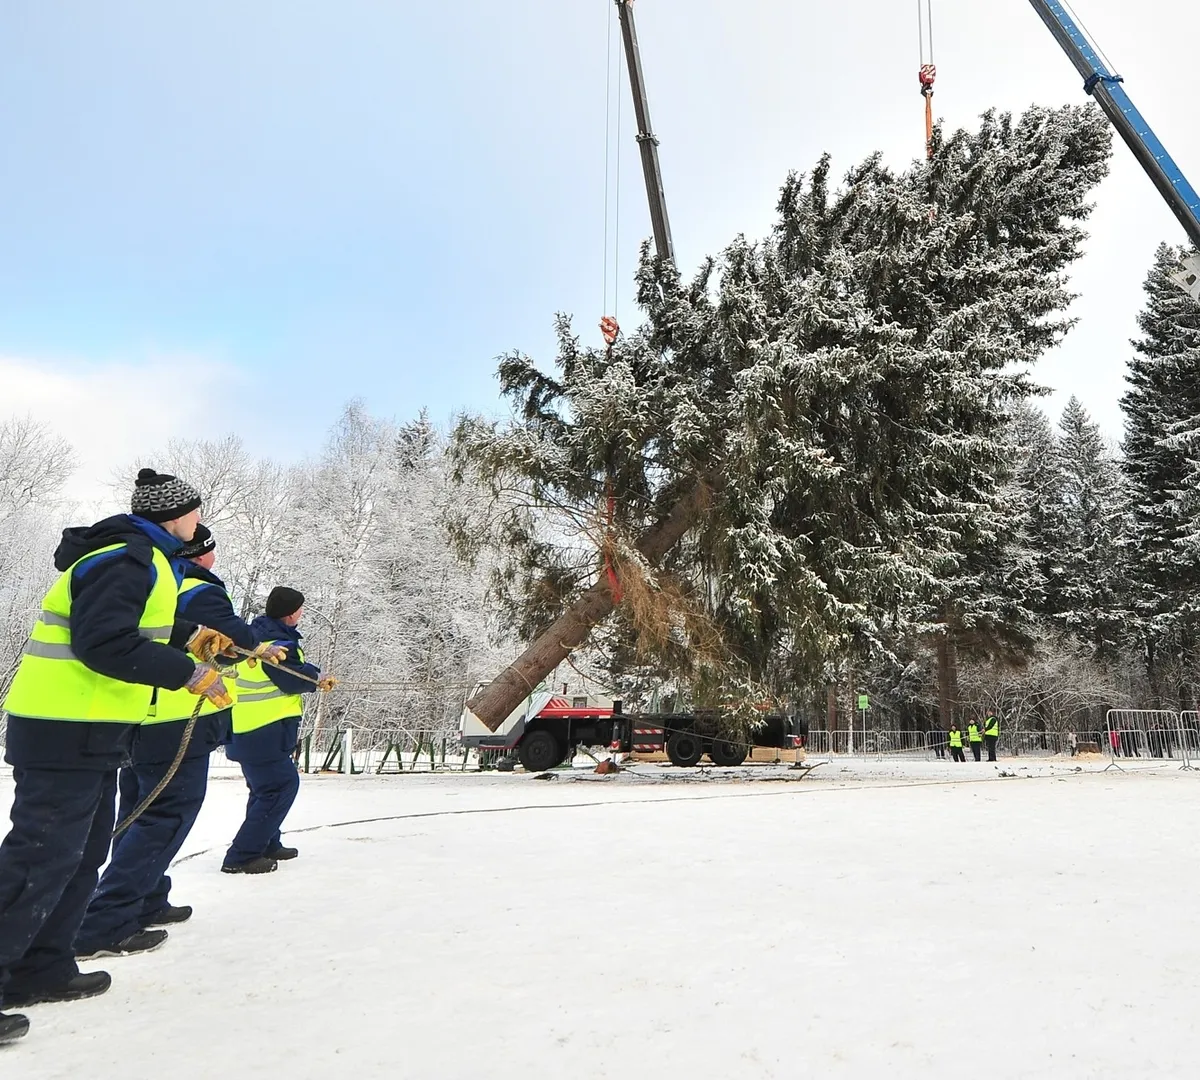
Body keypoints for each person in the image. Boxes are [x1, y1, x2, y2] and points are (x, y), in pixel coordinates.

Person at [0, 470, 233, 1044]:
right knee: (39, 857)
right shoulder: (128, 557)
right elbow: (102, 641)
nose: (197, 524)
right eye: (195, 514)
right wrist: (190, 673)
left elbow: (132, 625)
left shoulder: (139, 558)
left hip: (93, 731)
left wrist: (188, 635)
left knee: (80, 855)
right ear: (176, 515)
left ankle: (39, 966)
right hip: (62, 728)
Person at [74, 525, 286, 958]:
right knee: (164, 818)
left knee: (140, 813)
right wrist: (254, 646)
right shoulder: (197, 588)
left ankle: (147, 899)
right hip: (172, 718)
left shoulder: (159, 582)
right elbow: (229, 632)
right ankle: (107, 921)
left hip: (141, 714)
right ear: (201, 552)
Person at [223, 587, 334, 874]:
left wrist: (314, 675)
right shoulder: (276, 643)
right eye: (300, 608)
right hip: (264, 730)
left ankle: (267, 842)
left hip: (247, 728)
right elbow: (291, 678)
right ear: (290, 612)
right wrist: (315, 680)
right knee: (281, 786)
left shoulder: (256, 636)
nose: (302, 613)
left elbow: (293, 668)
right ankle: (242, 855)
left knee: (263, 790)